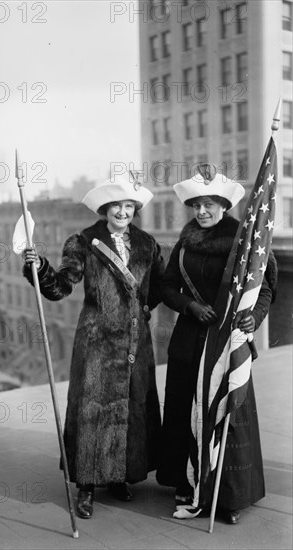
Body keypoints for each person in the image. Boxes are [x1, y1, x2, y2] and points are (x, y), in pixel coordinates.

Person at [22, 175, 167, 519]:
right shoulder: (84, 242)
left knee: (130, 408)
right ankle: (86, 486)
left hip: (135, 342)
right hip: (97, 342)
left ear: (135, 209)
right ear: (105, 208)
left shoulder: (148, 244)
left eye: (129, 205)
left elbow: (161, 285)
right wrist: (39, 267)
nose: (122, 211)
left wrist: (144, 308)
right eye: (116, 205)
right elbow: (60, 287)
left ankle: (119, 476)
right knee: (92, 411)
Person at [156, 164, 277, 525]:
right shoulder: (183, 244)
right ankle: (186, 483)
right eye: (196, 205)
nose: (202, 211)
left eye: (210, 204)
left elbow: (265, 289)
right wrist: (190, 306)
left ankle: (230, 496)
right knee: (185, 413)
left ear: (224, 205)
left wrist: (253, 319)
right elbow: (166, 287)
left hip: (227, 344)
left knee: (227, 415)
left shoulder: (245, 242)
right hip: (190, 342)